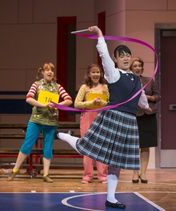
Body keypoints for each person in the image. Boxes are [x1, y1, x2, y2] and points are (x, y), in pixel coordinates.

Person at [57, 26, 150, 209]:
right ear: (115, 59)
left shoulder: (137, 79)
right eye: (121, 55)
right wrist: (99, 35)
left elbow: (141, 99)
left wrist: (146, 107)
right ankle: (63, 135)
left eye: (127, 55)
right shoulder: (113, 73)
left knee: (116, 163)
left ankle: (111, 198)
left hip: (129, 122)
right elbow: (103, 54)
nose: (125, 57)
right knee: (87, 148)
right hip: (112, 118)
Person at [8, 62, 72, 183]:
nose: (50, 72)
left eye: (52, 70)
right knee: (27, 145)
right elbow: (29, 98)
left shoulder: (58, 86)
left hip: (51, 121)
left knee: (48, 148)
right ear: (42, 72)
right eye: (47, 70)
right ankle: (15, 170)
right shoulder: (36, 85)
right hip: (36, 120)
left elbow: (69, 100)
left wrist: (57, 105)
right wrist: (43, 105)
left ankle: (46, 174)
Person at [74, 63, 109, 184]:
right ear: (89, 74)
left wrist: (102, 103)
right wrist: (90, 103)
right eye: (93, 72)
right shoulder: (84, 87)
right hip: (87, 117)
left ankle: (103, 175)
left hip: (102, 118)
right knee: (87, 146)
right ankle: (87, 175)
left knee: (102, 146)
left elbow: (110, 104)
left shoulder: (105, 87)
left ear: (101, 74)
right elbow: (77, 104)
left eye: (98, 72)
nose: (96, 74)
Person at [130, 57, 160, 184]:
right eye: (135, 65)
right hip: (133, 116)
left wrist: (147, 96)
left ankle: (144, 173)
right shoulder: (127, 81)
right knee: (133, 146)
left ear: (142, 68)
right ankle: (135, 173)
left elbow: (158, 96)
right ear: (131, 68)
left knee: (145, 146)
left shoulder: (149, 81)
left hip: (148, 115)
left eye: (139, 65)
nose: (137, 68)